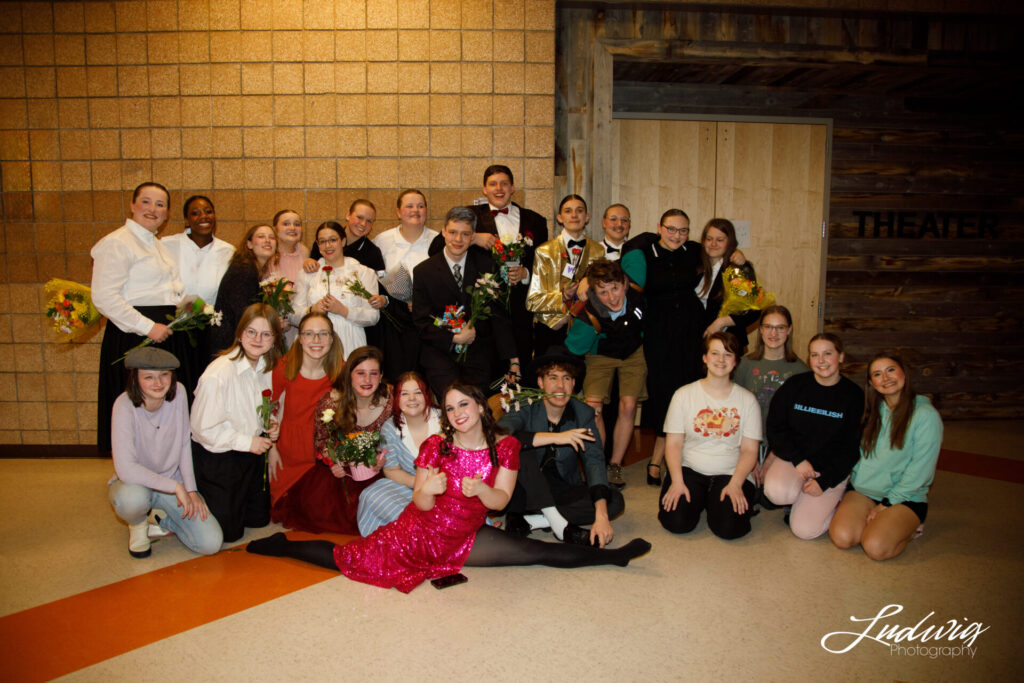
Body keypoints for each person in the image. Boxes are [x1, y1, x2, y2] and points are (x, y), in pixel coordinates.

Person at [246, 381, 652, 593]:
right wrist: (431, 488)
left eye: (464, 405)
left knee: (535, 552)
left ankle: (613, 559)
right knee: (347, 558)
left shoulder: (505, 447)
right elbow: (419, 503)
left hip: (466, 537)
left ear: (479, 407)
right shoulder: (435, 446)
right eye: (451, 406)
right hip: (419, 534)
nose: (457, 413)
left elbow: (503, 499)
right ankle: (283, 546)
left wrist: (480, 492)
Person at [91, 182, 190, 453]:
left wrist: (185, 308)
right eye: (146, 202)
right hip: (134, 336)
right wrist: (147, 327)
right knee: (137, 406)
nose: (152, 209)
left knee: (161, 407)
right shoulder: (117, 242)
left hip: (163, 332)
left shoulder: (157, 244)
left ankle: (161, 466)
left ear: (167, 213)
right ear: (133, 205)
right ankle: (131, 472)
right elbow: (104, 297)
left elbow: (161, 289)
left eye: (160, 205)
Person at [498, 346, 624, 546]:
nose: (560, 386)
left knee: (614, 501)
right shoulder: (526, 407)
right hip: (524, 490)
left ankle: (536, 520)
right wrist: (553, 437)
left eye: (566, 378)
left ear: (573, 384)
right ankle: (559, 524)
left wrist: (601, 516)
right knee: (517, 446)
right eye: (552, 378)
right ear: (540, 383)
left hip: (560, 490)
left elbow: (594, 460)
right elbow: (500, 434)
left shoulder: (583, 414)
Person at [108, 347, 222, 558]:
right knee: (132, 499)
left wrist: (190, 489)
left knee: (211, 543)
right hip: (136, 484)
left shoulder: (178, 393)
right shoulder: (123, 405)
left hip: (172, 481)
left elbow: (183, 445)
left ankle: (162, 520)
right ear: (135, 379)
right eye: (148, 377)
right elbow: (126, 469)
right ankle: (138, 524)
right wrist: (176, 487)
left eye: (164, 375)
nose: (158, 383)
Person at [830, 352, 943, 560]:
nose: (886, 378)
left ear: (904, 373)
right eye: (877, 374)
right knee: (842, 538)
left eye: (891, 370)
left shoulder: (925, 416)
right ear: (871, 383)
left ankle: (910, 529)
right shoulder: (873, 410)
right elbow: (859, 454)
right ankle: (877, 522)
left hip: (903, 497)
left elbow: (920, 471)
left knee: (875, 547)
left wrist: (887, 504)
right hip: (864, 490)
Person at [620, 209, 703, 487]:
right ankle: (657, 460)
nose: (676, 235)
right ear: (659, 227)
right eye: (671, 229)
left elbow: (721, 255)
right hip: (659, 334)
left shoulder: (693, 251)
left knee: (691, 394)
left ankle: (681, 459)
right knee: (664, 397)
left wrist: (737, 257)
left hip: (691, 333)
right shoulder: (645, 250)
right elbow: (631, 246)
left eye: (683, 230)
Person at [190, 303, 283, 543]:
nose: (257, 339)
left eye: (266, 334)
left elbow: (258, 406)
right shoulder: (219, 374)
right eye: (251, 331)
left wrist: (270, 422)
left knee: (259, 519)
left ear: (274, 339)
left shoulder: (264, 366)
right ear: (240, 333)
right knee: (229, 534)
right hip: (219, 456)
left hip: (249, 454)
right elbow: (203, 430)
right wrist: (247, 442)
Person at [440, 165, 549, 364]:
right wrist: (472, 237)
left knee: (521, 368)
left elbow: (544, 266)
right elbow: (437, 247)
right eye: (493, 184)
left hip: (520, 312)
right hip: (481, 312)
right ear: (484, 189)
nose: (499, 188)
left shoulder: (535, 220)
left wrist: (526, 274)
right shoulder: (469, 216)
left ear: (513, 187)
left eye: (504, 183)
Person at [659, 333, 762, 540]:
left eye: (727, 354)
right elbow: (673, 444)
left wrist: (736, 483)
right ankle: (703, 499)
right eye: (714, 353)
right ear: (705, 358)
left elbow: (750, 450)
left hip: (731, 473)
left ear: (735, 361)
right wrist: (677, 482)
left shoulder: (748, 400)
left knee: (729, 529)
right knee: (676, 522)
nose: (720, 360)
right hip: (690, 468)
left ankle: (714, 501)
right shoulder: (683, 395)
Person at [763, 333, 865, 540]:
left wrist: (825, 481)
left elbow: (852, 447)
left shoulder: (854, 396)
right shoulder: (795, 386)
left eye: (827, 354)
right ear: (809, 359)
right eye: (815, 355)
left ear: (841, 356)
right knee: (776, 493)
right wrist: (798, 460)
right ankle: (798, 496)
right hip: (798, 460)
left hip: (830, 468)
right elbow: (775, 427)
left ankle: (836, 499)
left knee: (805, 531)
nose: (821, 361)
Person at [412, 206, 519, 398]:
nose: (458, 240)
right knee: (453, 402)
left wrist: (513, 360)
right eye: (453, 232)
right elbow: (421, 321)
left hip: (479, 356)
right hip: (441, 355)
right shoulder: (423, 272)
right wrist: (454, 338)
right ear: (443, 232)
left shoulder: (487, 266)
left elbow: (499, 317)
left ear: (473, 237)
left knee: (476, 406)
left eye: (465, 234)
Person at [565, 259, 646, 489]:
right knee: (594, 407)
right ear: (592, 292)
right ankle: (597, 463)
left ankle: (615, 465)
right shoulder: (588, 314)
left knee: (628, 405)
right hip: (600, 354)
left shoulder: (638, 297)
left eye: (615, 288)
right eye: (602, 292)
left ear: (625, 283)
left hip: (632, 352)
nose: (611, 297)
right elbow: (572, 351)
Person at [267, 312, 345, 531]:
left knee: (328, 511)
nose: (316, 341)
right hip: (289, 452)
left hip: (322, 453)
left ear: (332, 338)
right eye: (309, 334)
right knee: (294, 510)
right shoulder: (283, 367)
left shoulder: (341, 369)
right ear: (299, 338)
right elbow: (269, 411)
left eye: (322, 334)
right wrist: (271, 448)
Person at [307, 346, 392, 535]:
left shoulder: (391, 399)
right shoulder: (331, 403)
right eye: (360, 373)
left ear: (381, 375)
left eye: (373, 373)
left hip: (380, 470)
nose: (367, 380)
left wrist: (386, 458)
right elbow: (320, 441)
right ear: (349, 375)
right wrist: (332, 461)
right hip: (342, 474)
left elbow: (402, 437)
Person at [161, 195, 235, 386]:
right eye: (195, 213)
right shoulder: (166, 245)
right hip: (174, 331)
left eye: (208, 211)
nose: (204, 216)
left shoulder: (228, 251)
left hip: (210, 332)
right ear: (186, 220)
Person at [357, 372, 442, 536]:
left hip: (445, 488)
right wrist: (420, 485)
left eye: (418, 392)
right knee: (371, 495)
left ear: (426, 395)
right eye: (405, 393)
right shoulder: (390, 428)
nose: (412, 398)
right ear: (397, 398)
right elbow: (391, 470)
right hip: (409, 488)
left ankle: (431, 530)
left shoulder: (443, 420)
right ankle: (419, 530)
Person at [734, 305, 809, 488]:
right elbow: (736, 412)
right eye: (768, 327)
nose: (773, 333)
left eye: (780, 327)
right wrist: (750, 455)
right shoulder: (744, 365)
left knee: (773, 493)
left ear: (789, 330)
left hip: (781, 444)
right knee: (747, 490)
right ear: (760, 330)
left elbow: (798, 423)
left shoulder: (801, 371)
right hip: (748, 439)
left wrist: (770, 459)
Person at [373, 189, 438, 382]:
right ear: (398, 212)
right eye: (409, 206)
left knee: (425, 372)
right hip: (394, 318)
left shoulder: (437, 240)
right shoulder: (383, 240)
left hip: (426, 315)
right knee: (397, 371)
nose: (415, 210)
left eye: (420, 206)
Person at [527, 195, 606, 353]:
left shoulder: (598, 251)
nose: (574, 215)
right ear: (560, 218)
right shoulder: (544, 251)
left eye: (579, 211)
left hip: (584, 330)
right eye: (568, 211)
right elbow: (532, 302)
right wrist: (562, 296)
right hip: (551, 330)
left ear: (587, 217)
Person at [292, 221, 379, 357]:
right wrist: (311, 310)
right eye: (323, 241)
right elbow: (293, 315)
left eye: (333, 240)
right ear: (318, 245)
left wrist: (343, 310)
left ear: (343, 241)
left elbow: (373, 316)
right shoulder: (307, 273)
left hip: (350, 340)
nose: (328, 245)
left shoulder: (363, 273)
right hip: (313, 343)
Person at [695, 218, 760, 355]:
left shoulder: (737, 270)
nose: (713, 244)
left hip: (728, 346)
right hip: (701, 347)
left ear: (729, 242)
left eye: (720, 239)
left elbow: (753, 310)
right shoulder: (697, 266)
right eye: (709, 238)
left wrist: (721, 322)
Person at [211, 223, 277, 354]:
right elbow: (243, 314)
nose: (267, 240)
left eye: (272, 237)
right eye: (261, 236)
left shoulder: (251, 268)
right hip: (230, 345)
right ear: (249, 244)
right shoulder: (244, 270)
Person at [271, 209, 309, 284]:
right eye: (286, 224)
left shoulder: (305, 253)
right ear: (275, 229)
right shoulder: (267, 253)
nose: (292, 228)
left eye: (297, 224)